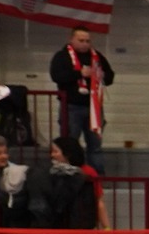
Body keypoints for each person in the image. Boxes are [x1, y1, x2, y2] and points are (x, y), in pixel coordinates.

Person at [47, 25, 115, 167]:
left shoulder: (96, 56)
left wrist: (102, 75)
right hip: (71, 107)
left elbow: (110, 77)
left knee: (95, 146)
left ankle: (97, 177)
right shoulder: (62, 56)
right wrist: (79, 74)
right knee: (70, 145)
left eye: (87, 41)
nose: (85, 44)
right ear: (71, 39)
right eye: (81, 40)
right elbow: (56, 76)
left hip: (93, 107)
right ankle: (70, 173)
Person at [37, 135, 107, 230]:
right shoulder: (50, 172)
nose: (52, 155)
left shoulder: (87, 172)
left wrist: (106, 227)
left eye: (55, 151)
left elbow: (99, 201)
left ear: (67, 154)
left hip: (81, 224)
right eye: (51, 152)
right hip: (57, 225)